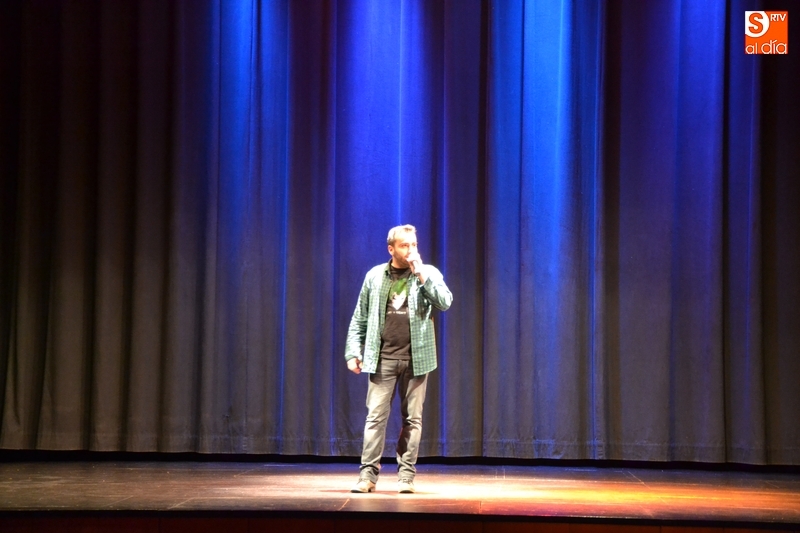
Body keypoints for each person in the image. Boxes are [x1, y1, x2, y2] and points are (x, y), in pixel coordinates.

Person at [345, 224, 452, 494]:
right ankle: (367, 476)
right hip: (382, 359)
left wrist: (422, 275)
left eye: (414, 244)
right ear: (391, 249)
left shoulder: (427, 273)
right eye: (405, 245)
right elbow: (360, 316)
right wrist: (353, 351)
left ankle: (406, 477)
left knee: (412, 420)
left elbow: (445, 302)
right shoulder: (374, 276)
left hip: (417, 359)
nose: (411, 250)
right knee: (375, 419)